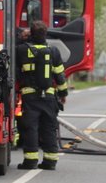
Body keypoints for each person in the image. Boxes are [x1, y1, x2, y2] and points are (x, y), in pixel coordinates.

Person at [16, 20, 68, 170]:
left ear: (31, 33)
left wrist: (22, 37)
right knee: (49, 128)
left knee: (30, 128)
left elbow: (16, 71)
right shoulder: (54, 51)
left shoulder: (21, 50)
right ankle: (50, 161)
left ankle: (30, 161)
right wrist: (63, 93)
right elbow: (60, 75)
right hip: (50, 97)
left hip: (30, 96)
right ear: (46, 34)